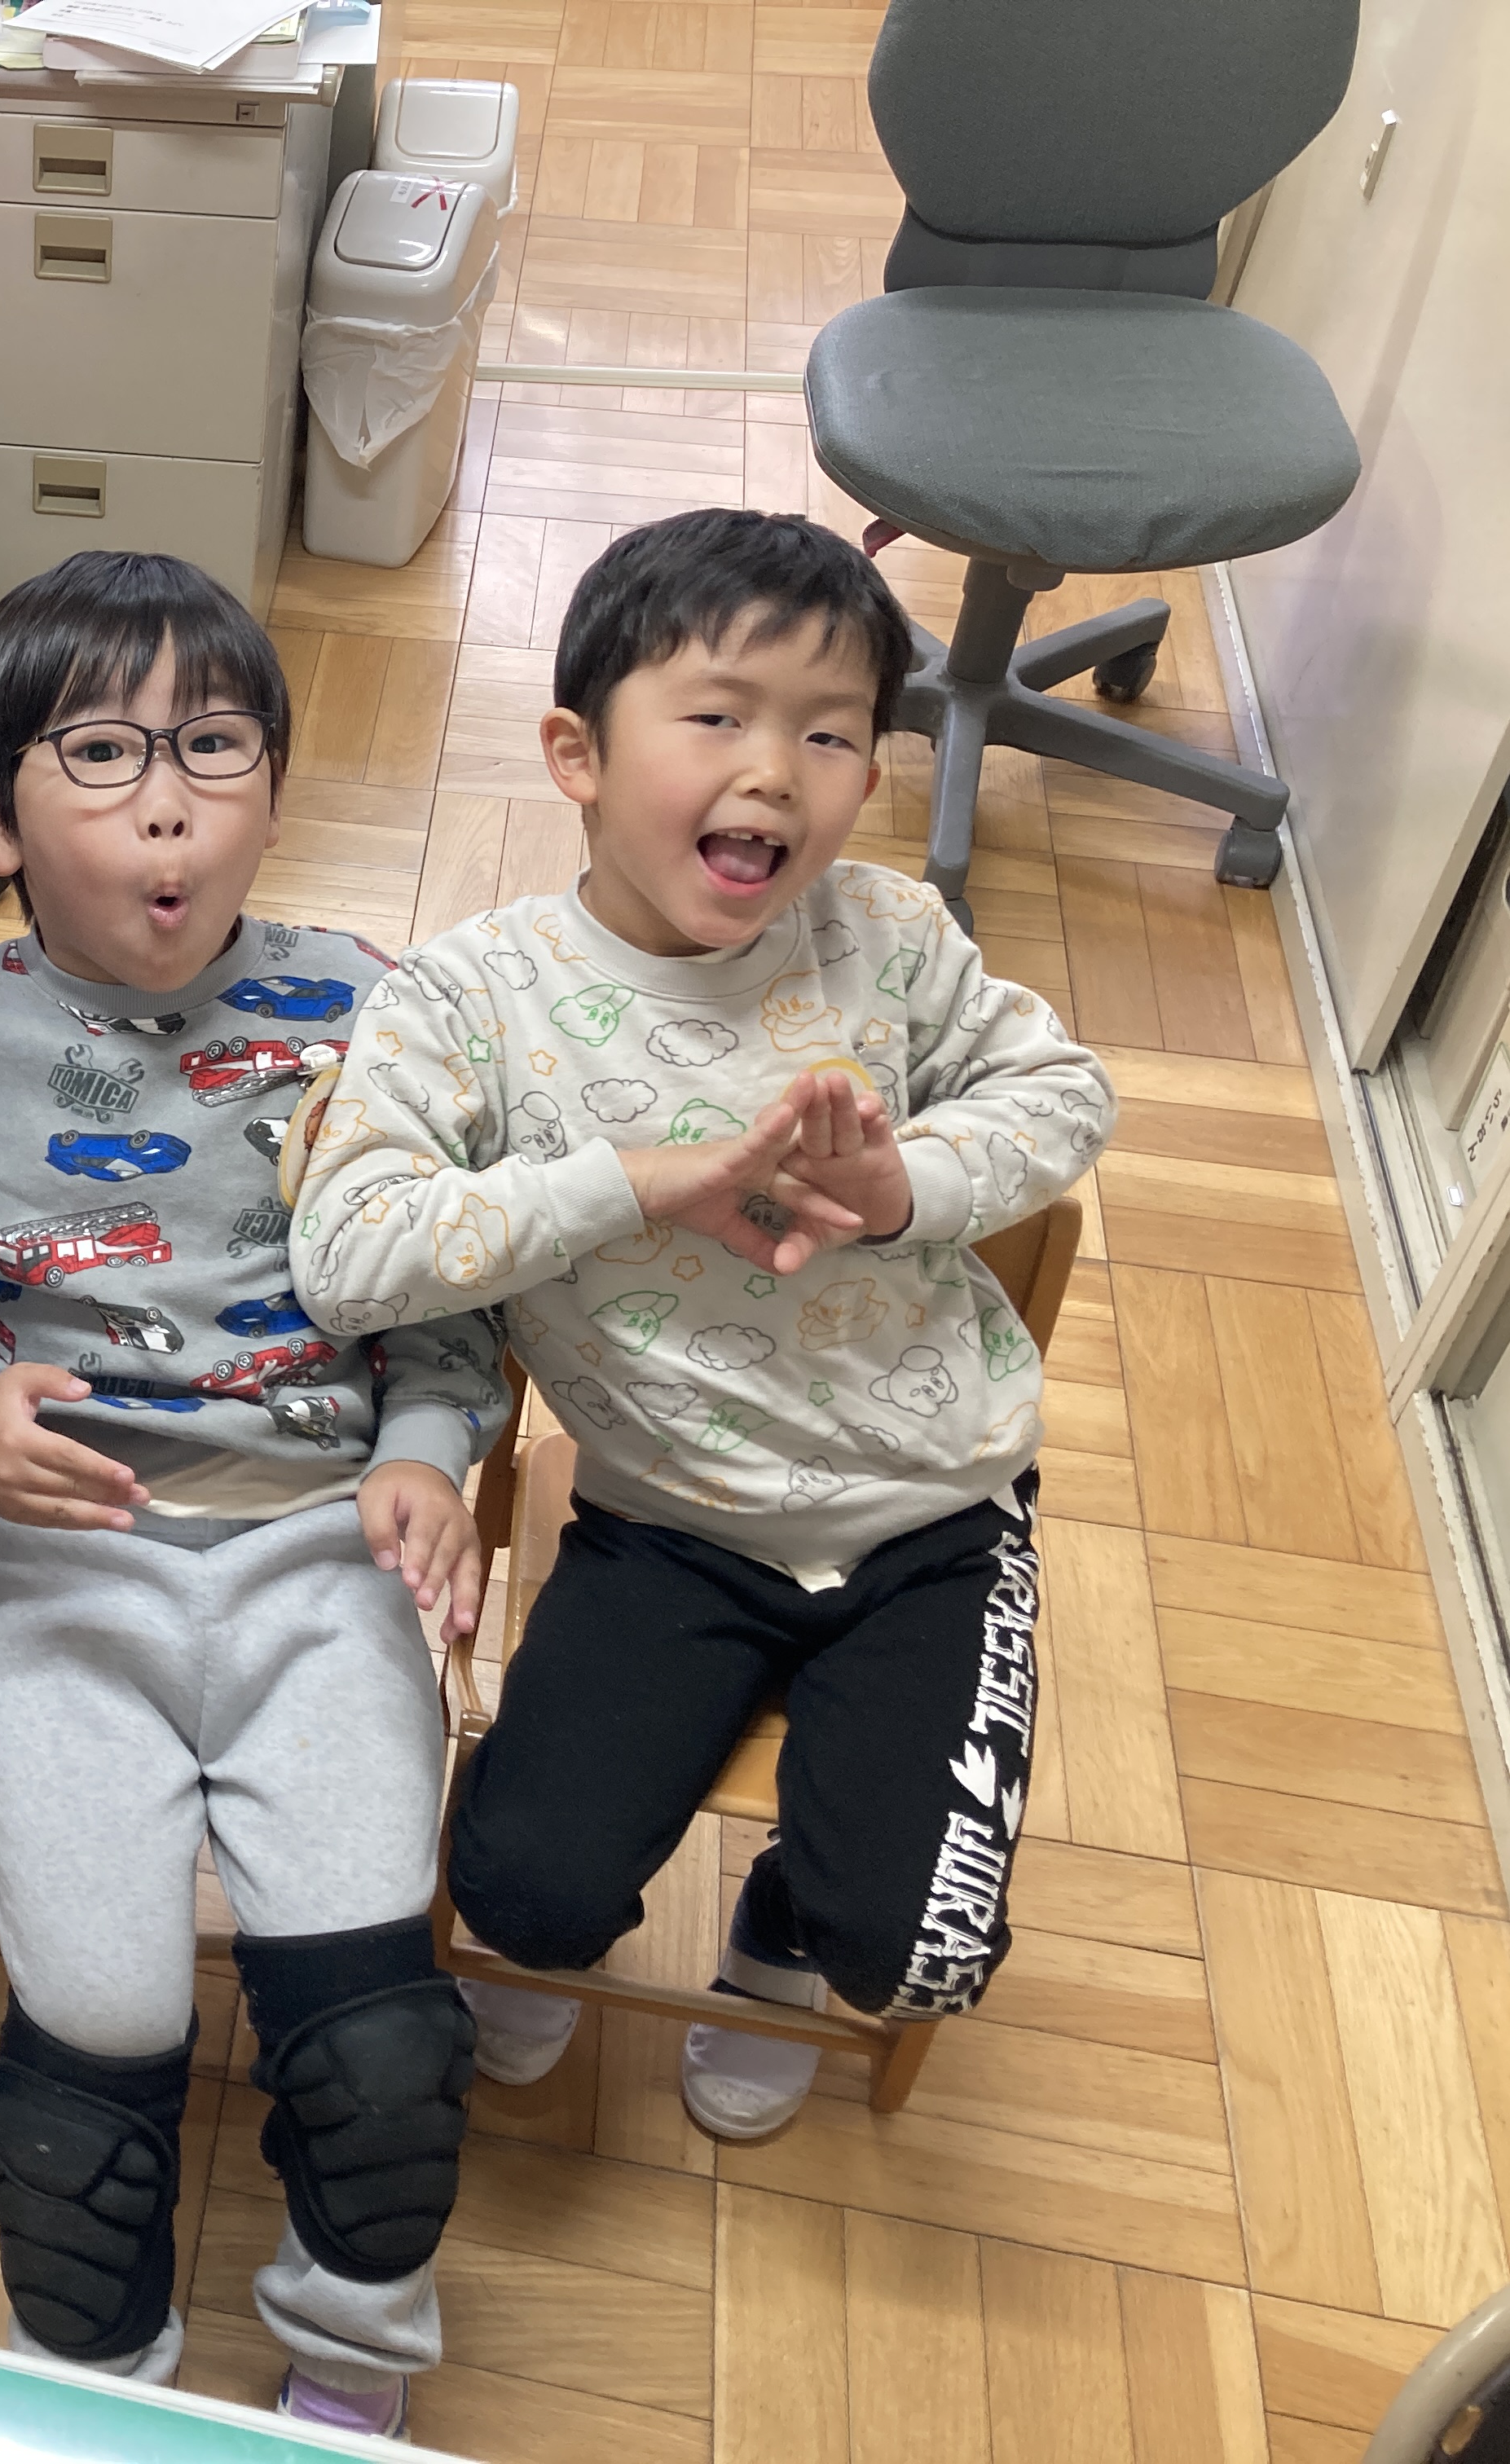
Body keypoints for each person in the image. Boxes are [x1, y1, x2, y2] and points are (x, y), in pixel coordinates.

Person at [289, 506, 1116, 2145]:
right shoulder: (467, 998)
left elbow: (1063, 1090)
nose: (774, 772)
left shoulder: (888, 937)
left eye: (829, 732)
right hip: (665, 1520)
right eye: (719, 715)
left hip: (936, 1516)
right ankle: (569, 1931)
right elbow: (347, 1253)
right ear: (577, 755)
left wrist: (907, 1183)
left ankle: (784, 1925)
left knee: (921, 1951)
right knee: (521, 1890)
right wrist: (636, 1181)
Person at [0, 551, 501, 2440]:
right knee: (97, 2052)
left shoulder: (371, 1010)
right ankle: (103, 2390)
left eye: (214, 748)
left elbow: (449, 1297)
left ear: (275, 794)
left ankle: (351, 2360)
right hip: (72, 1566)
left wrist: (425, 1451)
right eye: (101, 753)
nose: (168, 801)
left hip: (326, 1562)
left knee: (379, 2052)